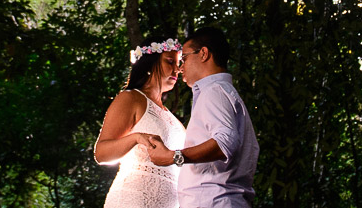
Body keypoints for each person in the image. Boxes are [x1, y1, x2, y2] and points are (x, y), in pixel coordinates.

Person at [148, 27, 259, 208]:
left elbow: (225, 142)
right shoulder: (221, 92)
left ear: (203, 54)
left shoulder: (214, 91)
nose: (180, 68)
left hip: (214, 201)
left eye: (184, 59)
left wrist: (173, 157)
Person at [95, 38, 187, 208]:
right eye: (170, 62)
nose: (177, 69)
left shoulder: (172, 118)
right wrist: (136, 138)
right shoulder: (131, 98)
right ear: (150, 63)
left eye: (178, 63)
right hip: (133, 200)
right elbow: (101, 154)